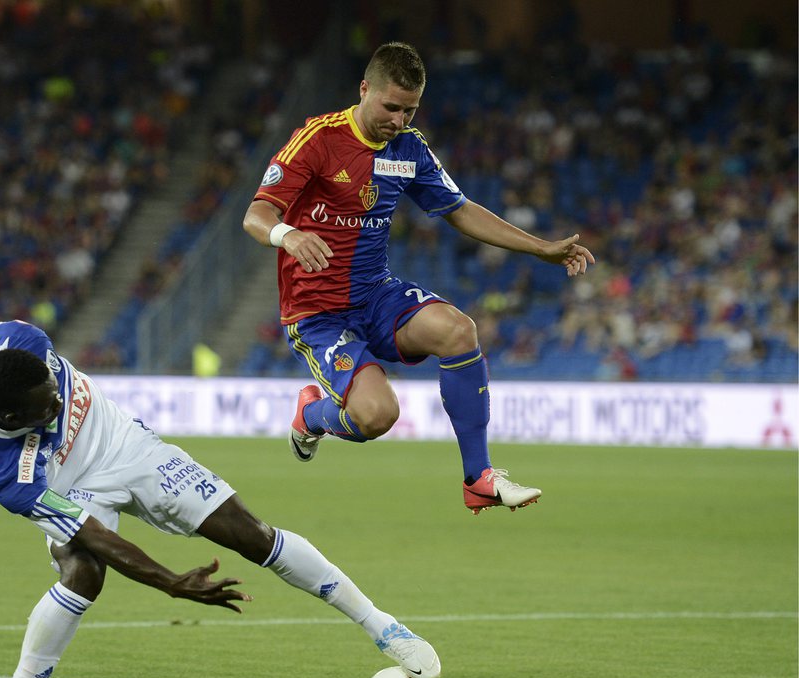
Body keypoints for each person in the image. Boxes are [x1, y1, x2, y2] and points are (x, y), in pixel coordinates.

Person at [0, 319, 440, 678]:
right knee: (82, 573)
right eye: (48, 407)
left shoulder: (22, 341)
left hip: (127, 447)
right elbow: (94, 535)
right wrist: (170, 582)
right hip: (71, 488)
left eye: (56, 390)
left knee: (251, 535)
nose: (58, 401)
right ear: (12, 419)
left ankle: (382, 625)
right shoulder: (10, 476)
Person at [242, 41, 595, 514]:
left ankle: (479, 478)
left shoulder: (409, 148)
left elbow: (461, 210)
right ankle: (310, 414)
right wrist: (288, 236)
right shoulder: (319, 139)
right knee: (377, 416)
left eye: (410, 110)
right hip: (319, 313)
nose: (399, 120)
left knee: (458, 329)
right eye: (391, 107)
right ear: (364, 89)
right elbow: (256, 214)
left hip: (376, 294)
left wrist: (539, 248)